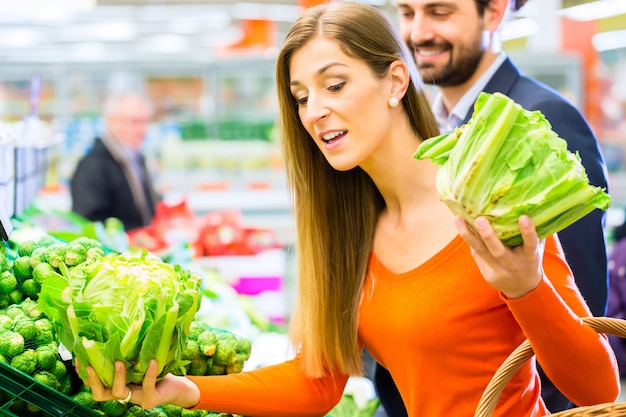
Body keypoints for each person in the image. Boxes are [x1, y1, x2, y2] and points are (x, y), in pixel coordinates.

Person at [80, 3, 619, 416]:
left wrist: (526, 286)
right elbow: (319, 382)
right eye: (301, 96)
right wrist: (186, 391)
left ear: (395, 81)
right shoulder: (348, 230)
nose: (315, 111)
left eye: (334, 84)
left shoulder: (485, 201)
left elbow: (599, 387)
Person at [373, 0, 612, 414]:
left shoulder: (542, 118)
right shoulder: (429, 130)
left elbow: (579, 305)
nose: (418, 32)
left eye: (440, 12)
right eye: (408, 13)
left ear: (494, 13)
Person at [70, 92, 160, 231]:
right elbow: (88, 222)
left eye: (145, 121)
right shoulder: (93, 166)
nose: (142, 129)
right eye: (134, 122)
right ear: (112, 122)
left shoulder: (135, 156)